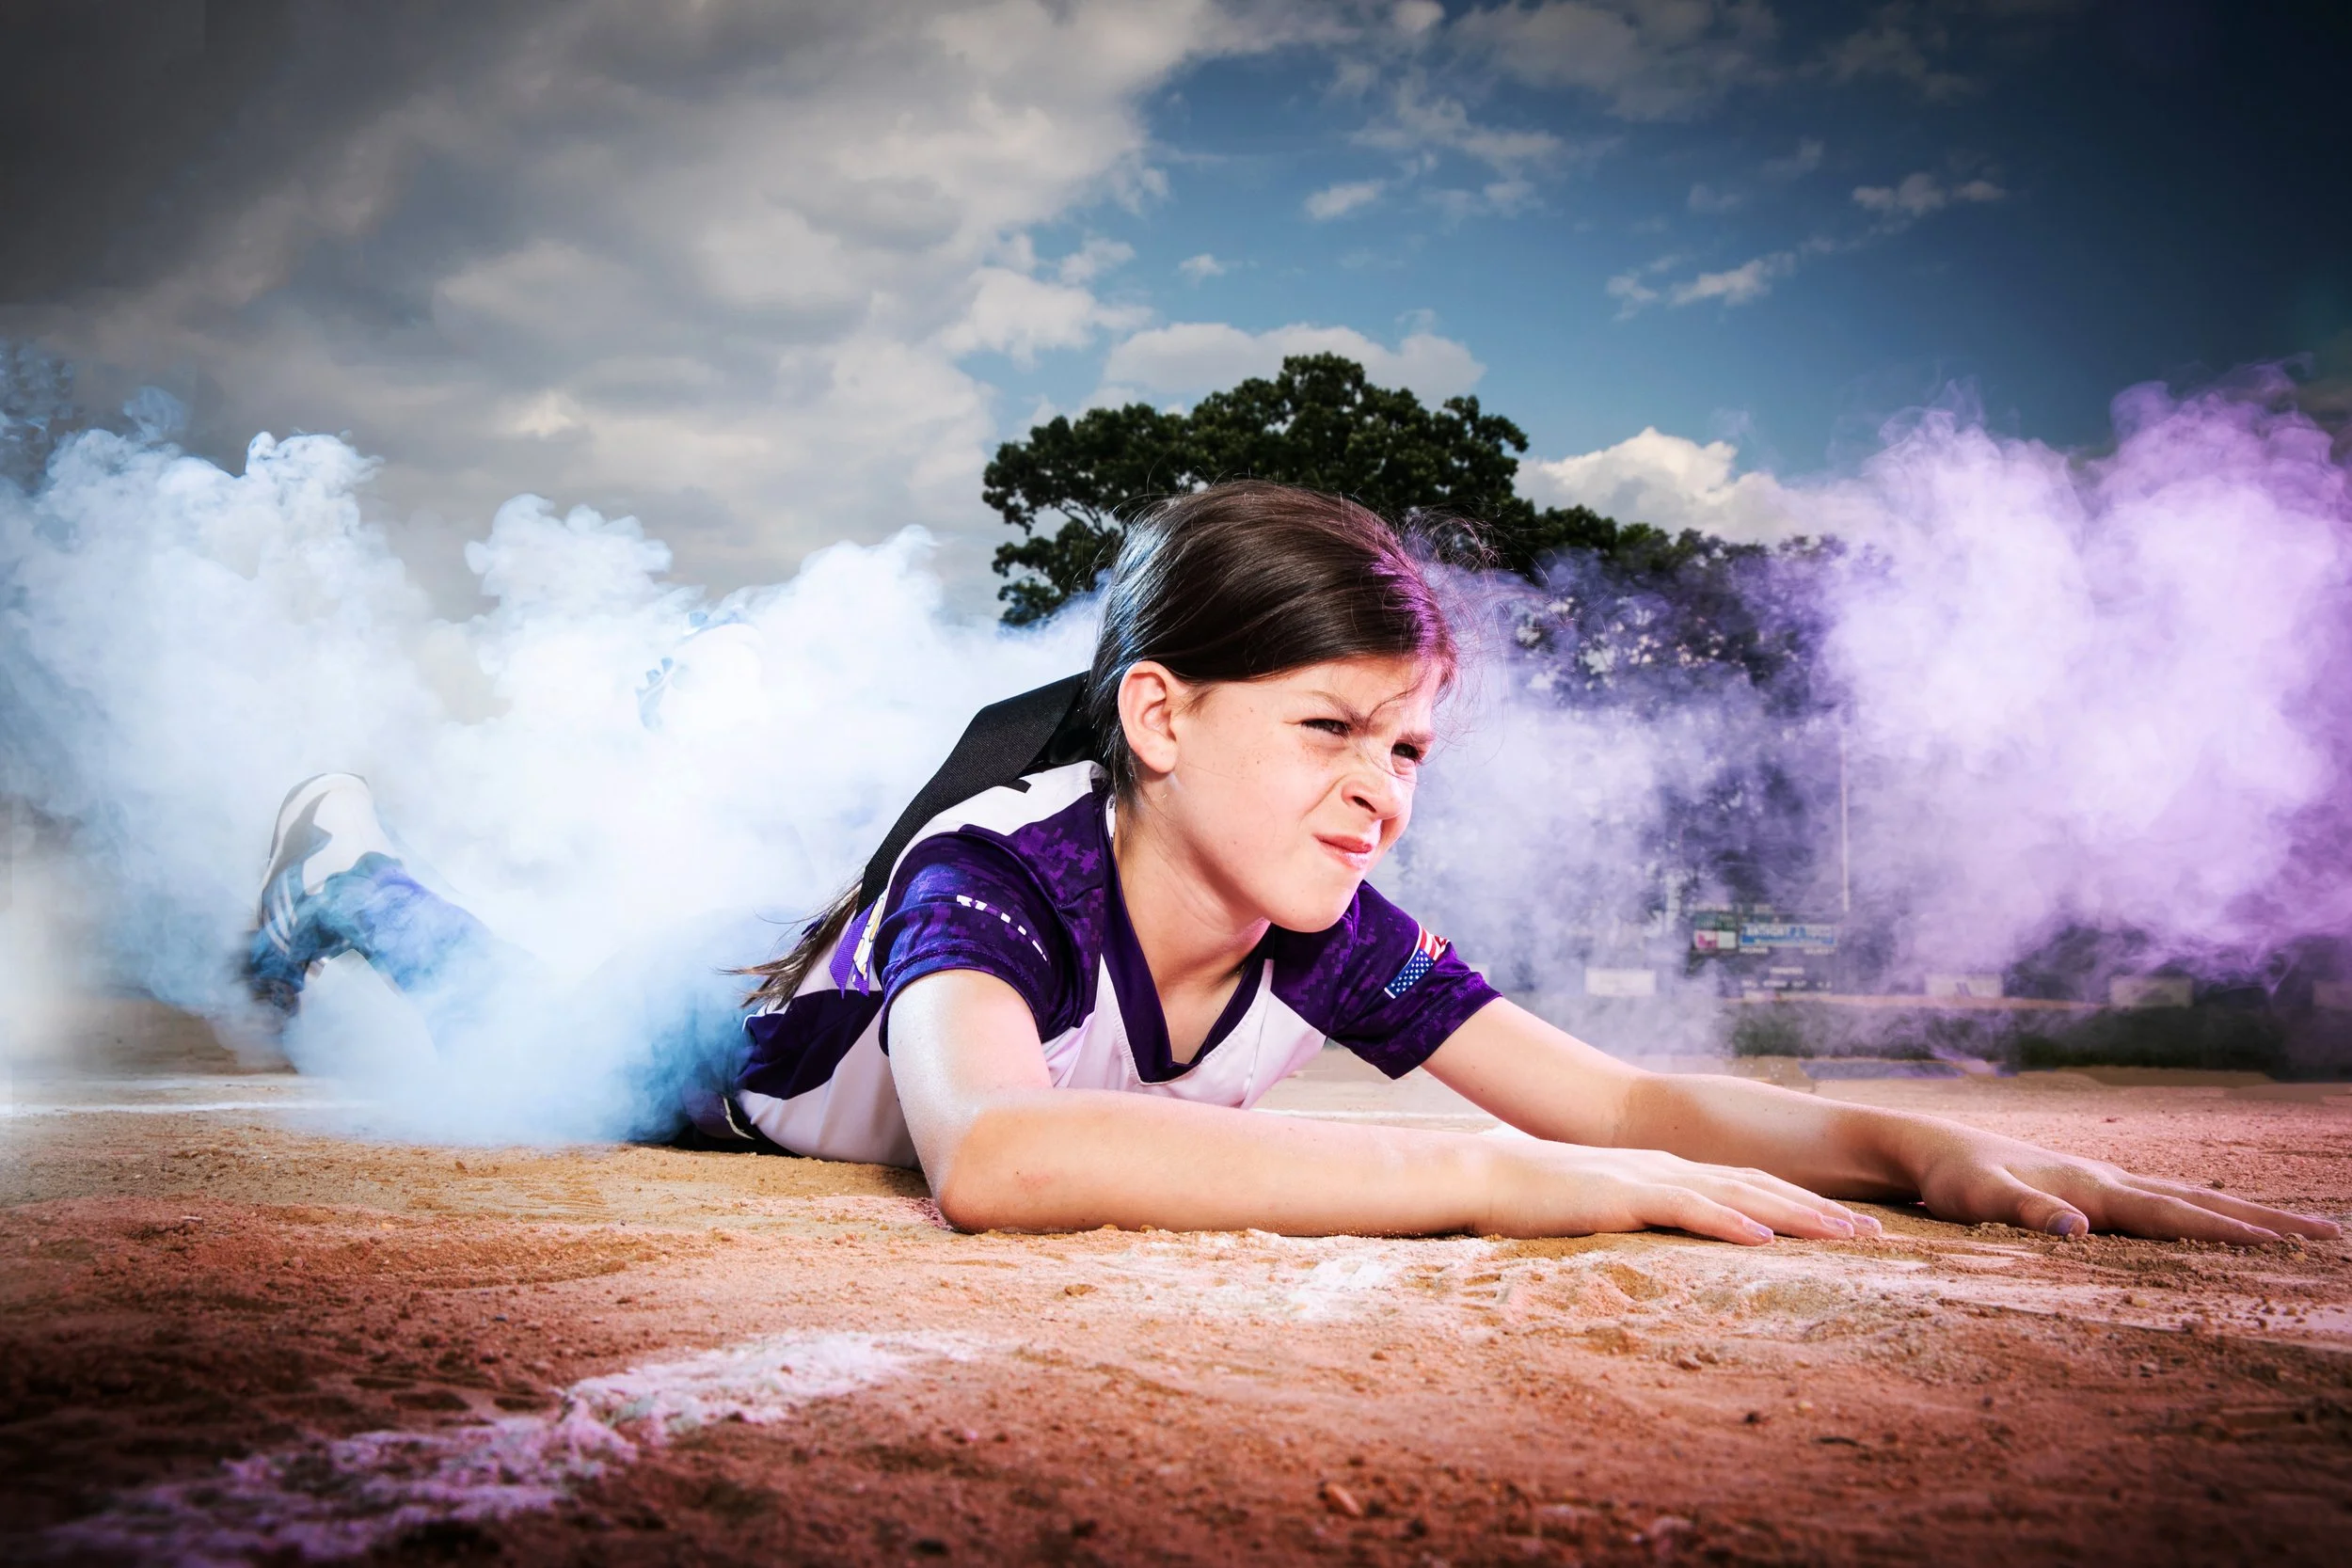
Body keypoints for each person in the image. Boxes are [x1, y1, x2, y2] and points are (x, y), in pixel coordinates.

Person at [246, 482, 2337, 1247]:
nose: (1380, 791)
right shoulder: (1001, 871)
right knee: (506, 1001)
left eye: (1409, 742)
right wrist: (1487, 1178)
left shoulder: (1316, 920)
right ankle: (344, 868)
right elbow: (1000, 1159)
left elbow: (1602, 1091)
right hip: (697, 1065)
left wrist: (1898, 1141)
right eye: (1328, 730)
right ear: (1159, 718)